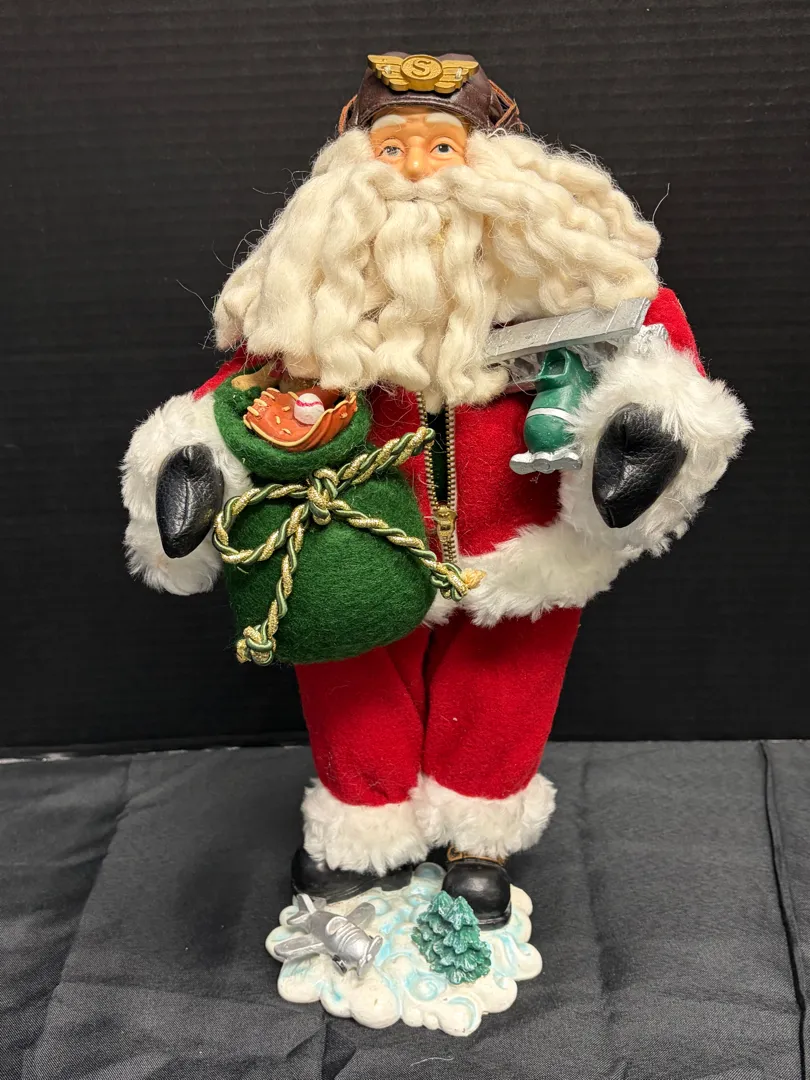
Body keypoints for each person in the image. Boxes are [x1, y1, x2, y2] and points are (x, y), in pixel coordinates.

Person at [122, 53, 749, 927]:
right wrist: (195, 456)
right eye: (392, 147)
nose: (416, 169)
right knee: (349, 673)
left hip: (519, 539)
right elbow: (244, 389)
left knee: (507, 680)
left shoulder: (561, 277)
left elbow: (657, 352)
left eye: (443, 145)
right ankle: (361, 825)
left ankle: (476, 838)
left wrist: (646, 425)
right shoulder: (319, 294)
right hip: (356, 534)